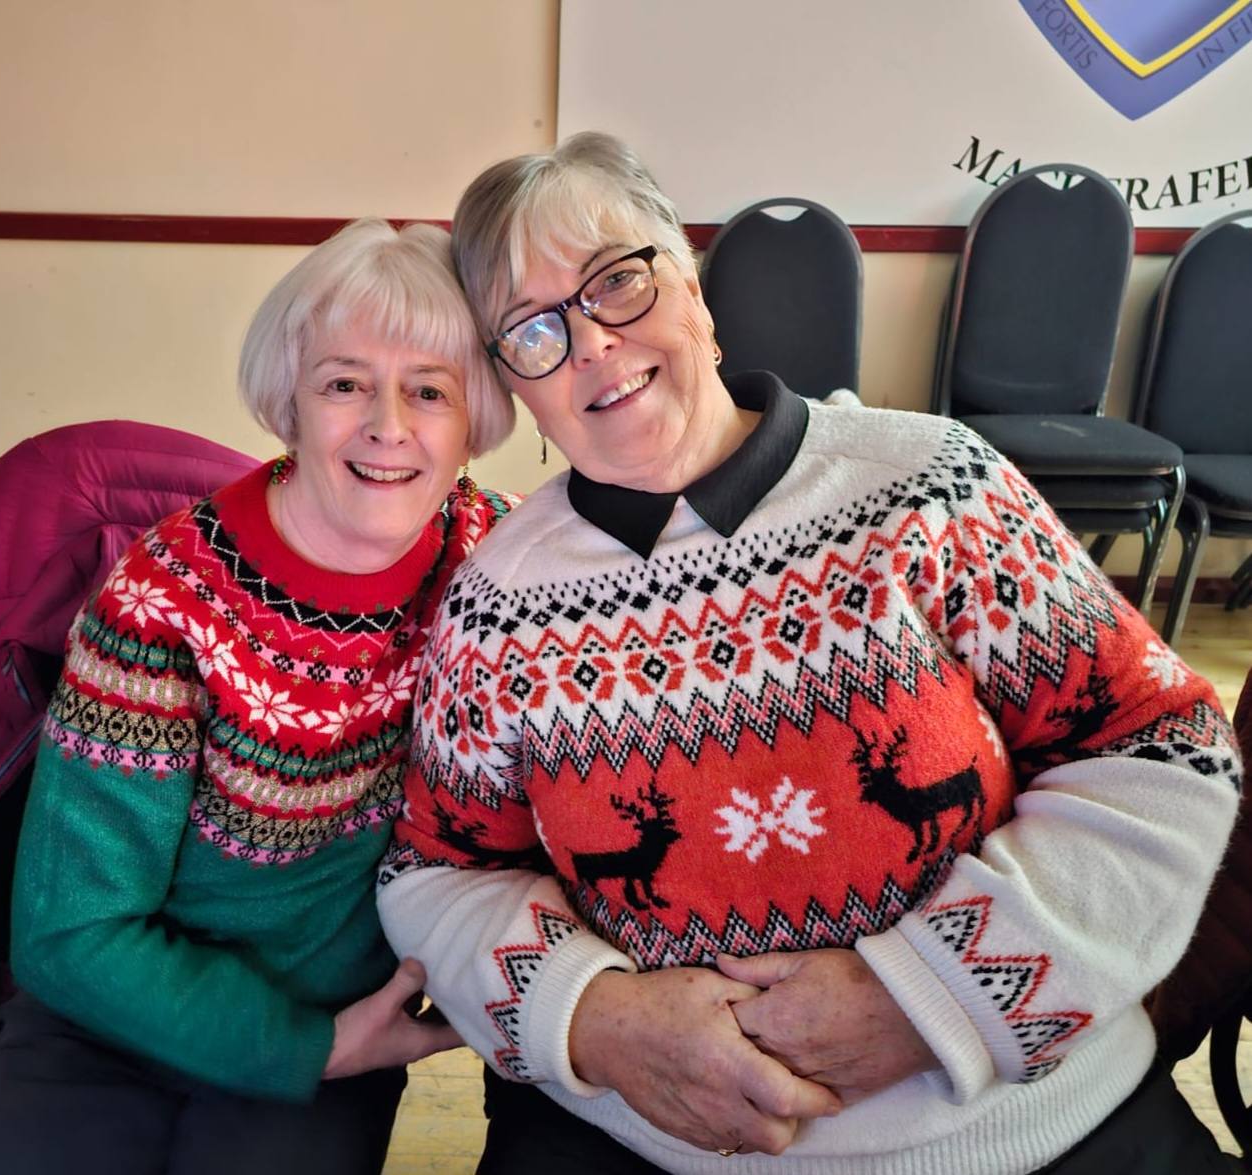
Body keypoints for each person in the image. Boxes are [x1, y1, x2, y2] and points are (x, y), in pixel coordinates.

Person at [376, 134, 1243, 1175]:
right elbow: (438, 867)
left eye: (616, 281)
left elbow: (1162, 744)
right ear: (512, 380)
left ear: (693, 288)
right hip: (647, 1145)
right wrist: (593, 1014)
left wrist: (935, 992)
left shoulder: (928, 484)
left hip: (1031, 1132)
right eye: (532, 328)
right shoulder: (497, 603)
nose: (592, 342)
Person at [0, 217, 515, 1175]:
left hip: (327, 1031)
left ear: (475, 420)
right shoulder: (163, 598)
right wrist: (304, 1048)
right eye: (344, 383)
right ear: (288, 401)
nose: (389, 424)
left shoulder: (501, 565)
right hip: (111, 1023)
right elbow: (68, 930)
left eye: (430, 390)